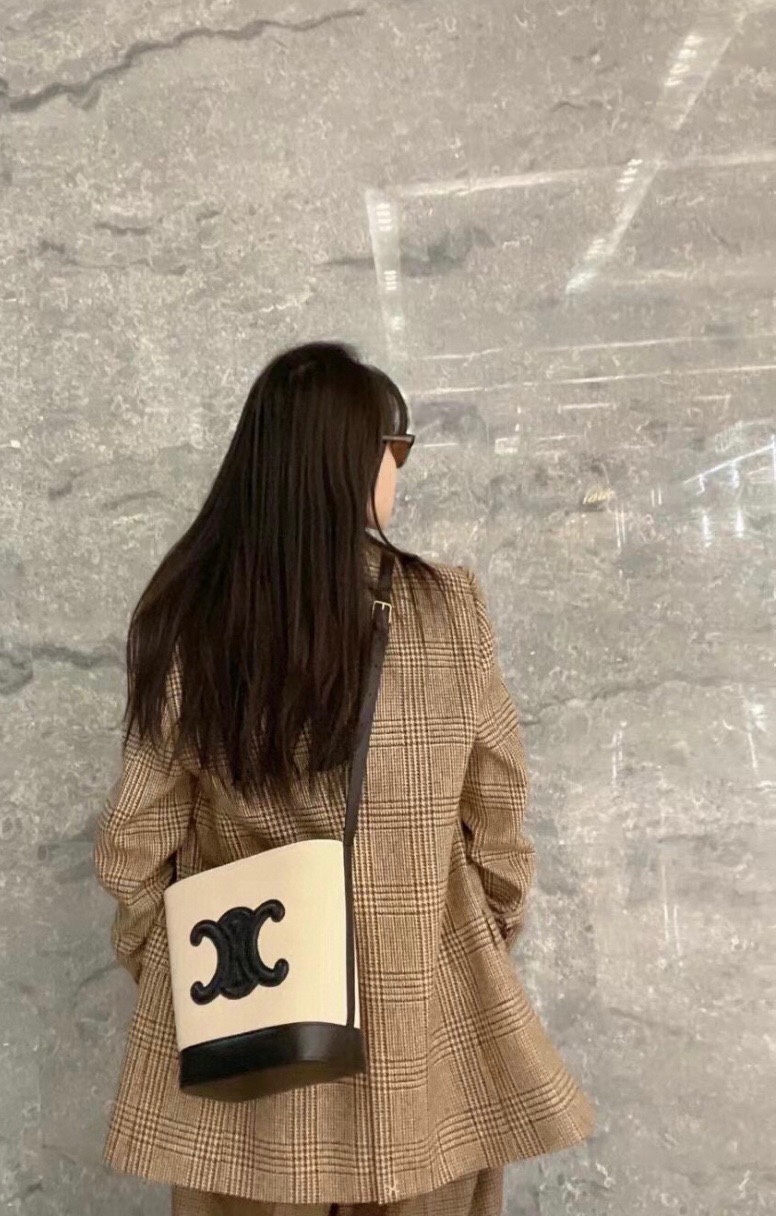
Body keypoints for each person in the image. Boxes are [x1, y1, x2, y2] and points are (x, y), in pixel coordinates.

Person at [93, 341, 595, 1215]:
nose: (398, 467)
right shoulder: (447, 610)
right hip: (428, 1049)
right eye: (395, 448)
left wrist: (192, 980)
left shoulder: (191, 622)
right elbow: (498, 822)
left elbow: (132, 848)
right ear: (353, 460)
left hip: (251, 1045)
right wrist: (453, 943)